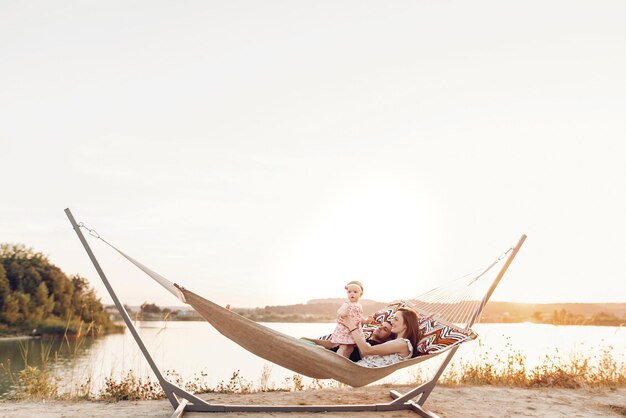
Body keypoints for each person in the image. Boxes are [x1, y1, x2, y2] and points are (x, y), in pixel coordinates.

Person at [339, 306, 420, 367]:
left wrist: (351, 326)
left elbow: (366, 350)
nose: (392, 322)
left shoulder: (403, 344)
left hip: (362, 372)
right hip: (359, 367)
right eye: (393, 318)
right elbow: (366, 356)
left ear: (406, 325)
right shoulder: (394, 343)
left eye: (396, 319)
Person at [302, 320, 395, 362]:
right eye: (381, 325)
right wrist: (310, 340)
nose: (380, 327)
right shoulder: (363, 339)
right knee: (302, 342)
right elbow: (332, 344)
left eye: (385, 329)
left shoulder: (376, 347)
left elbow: (366, 355)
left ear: (388, 338)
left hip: (329, 360)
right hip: (324, 352)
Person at [328, 280, 366, 358]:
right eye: (349, 292)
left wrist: (365, 321)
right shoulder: (347, 304)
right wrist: (343, 313)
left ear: (360, 294)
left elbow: (360, 316)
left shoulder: (359, 305)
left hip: (355, 329)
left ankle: (347, 360)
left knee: (351, 347)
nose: (352, 294)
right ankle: (338, 358)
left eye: (355, 292)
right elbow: (339, 312)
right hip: (346, 329)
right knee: (344, 346)